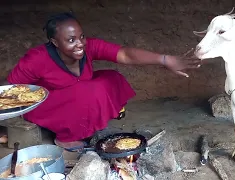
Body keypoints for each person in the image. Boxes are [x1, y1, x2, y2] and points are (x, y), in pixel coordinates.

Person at [4, 12, 201, 151]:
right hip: (48, 107)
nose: (80, 43)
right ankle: (66, 138)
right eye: (71, 40)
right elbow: (11, 90)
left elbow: (124, 54)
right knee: (88, 91)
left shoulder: (88, 47)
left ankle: (87, 121)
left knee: (110, 79)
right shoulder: (37, 58)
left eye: (81, 37)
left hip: (76, 99)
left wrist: (165, 60)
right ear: (55, 42)